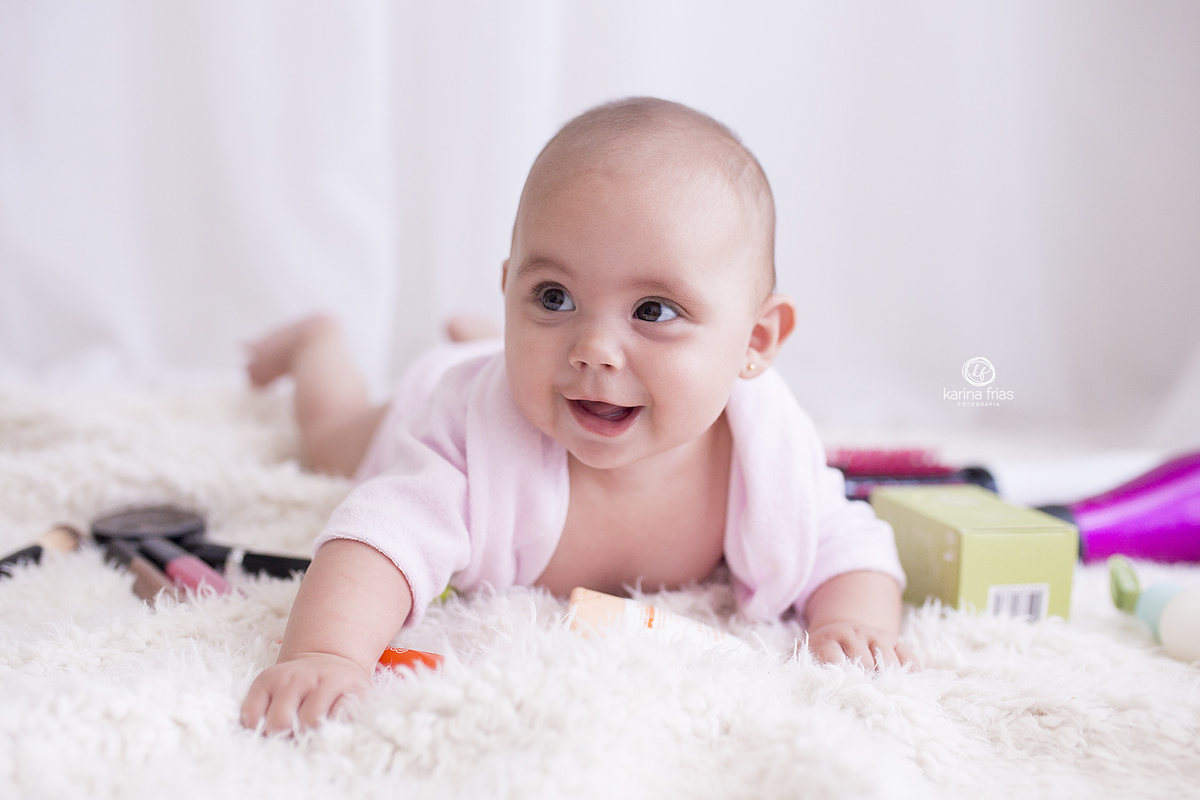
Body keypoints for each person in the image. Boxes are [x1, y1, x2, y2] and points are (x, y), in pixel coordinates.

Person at [240, 97, 911, 735]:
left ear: (755, 342)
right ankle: (316, 346)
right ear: (511, 292)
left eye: (653, 311)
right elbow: (382, 539)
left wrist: (854, 623)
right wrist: (328, 653)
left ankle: (491, 328)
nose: (595, 349)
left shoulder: (766, 458)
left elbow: (848, 543)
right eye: (553, 295)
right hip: (435, 397)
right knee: (330, 437)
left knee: (549, 355)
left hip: (528, 368)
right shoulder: (470, 436)